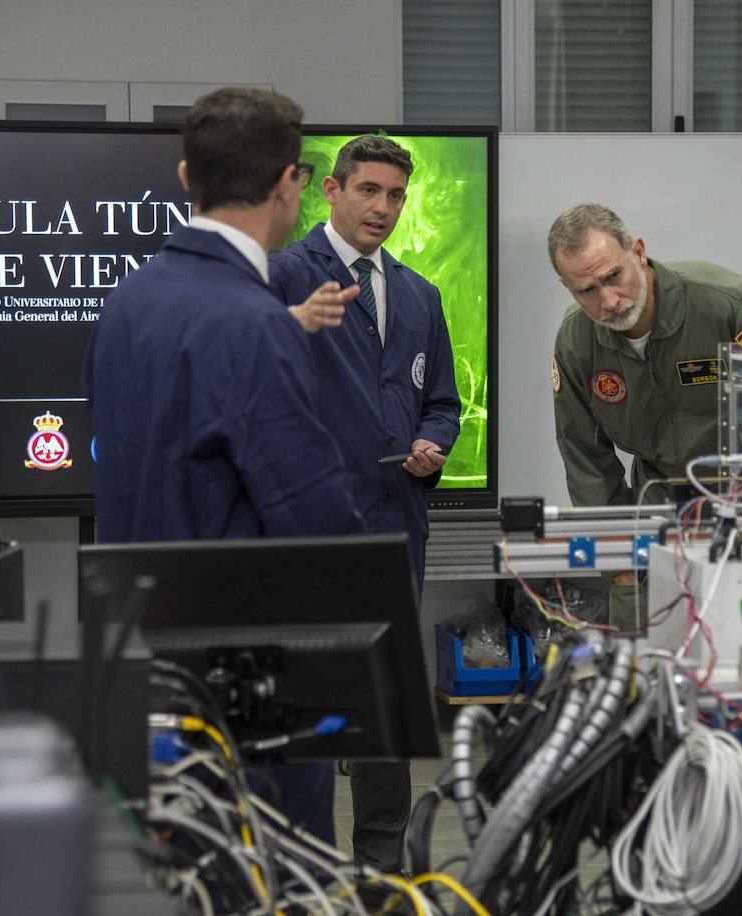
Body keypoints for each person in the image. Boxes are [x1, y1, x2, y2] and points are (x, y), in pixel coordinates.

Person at [82, 87, 364, 842]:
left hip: (148, 659)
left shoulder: (131, 299)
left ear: (185, 176)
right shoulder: (254, 323)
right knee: (270, 872)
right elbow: (313, 517)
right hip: (248, 683)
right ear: (288, 184)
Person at [268, 134, 461, 874]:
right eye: (369, 190)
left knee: (385, 702)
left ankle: (383, 871)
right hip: (307, 528)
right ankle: (303, 868)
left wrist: (433, 440)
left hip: (394, 526)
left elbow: (440, 401)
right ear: (332, 192)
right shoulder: (283, 275)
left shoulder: (417, 293)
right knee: (306, 702)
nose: (383, 207)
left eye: (395, 195)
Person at [547, 203, 742, 627]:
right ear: (567, 287)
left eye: (613, 276)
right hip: (657, 512)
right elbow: (584, 458)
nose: (609, 301)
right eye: (587, 291)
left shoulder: (732, 307)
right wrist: (618, 560)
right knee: (646, 670)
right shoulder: (578, 341)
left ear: (638, 251)